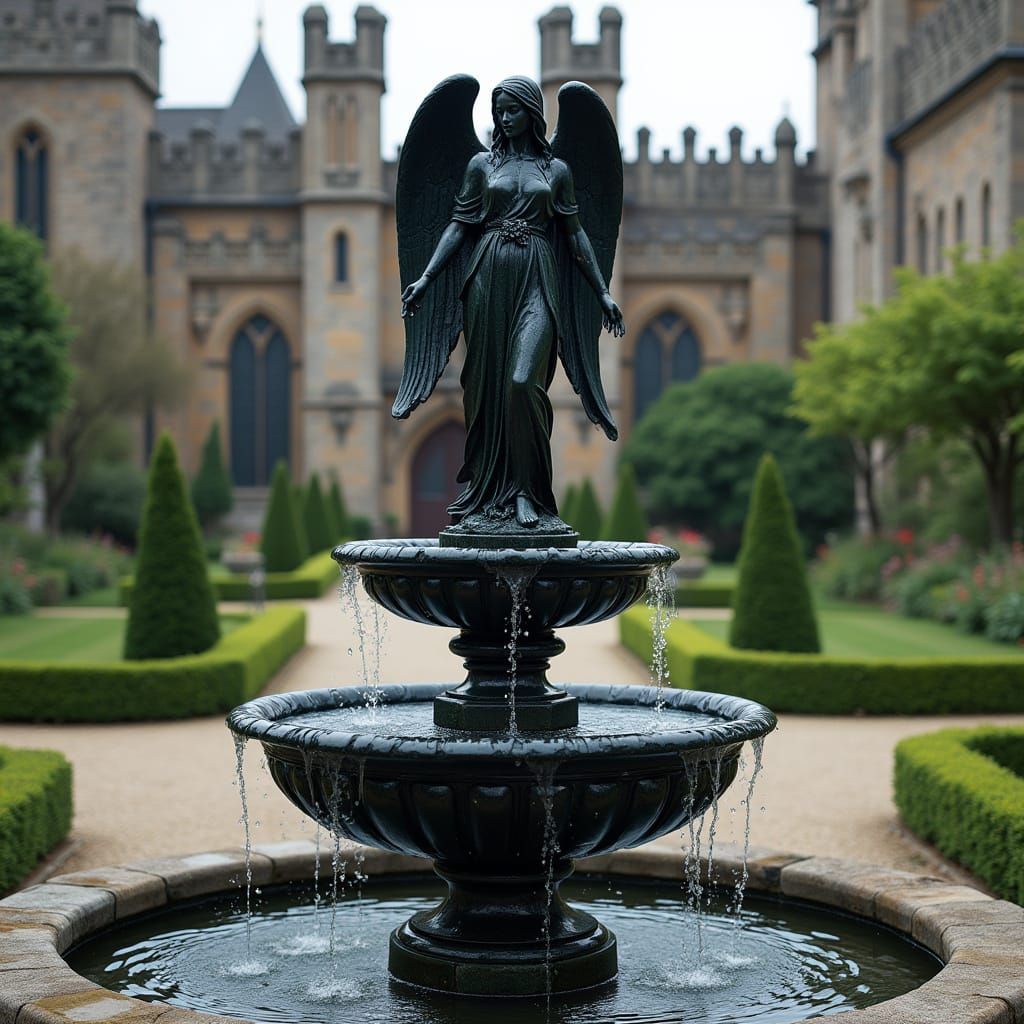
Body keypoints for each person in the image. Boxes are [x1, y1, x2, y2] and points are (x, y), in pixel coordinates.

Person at [400, 76, 625, 530]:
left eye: (512, 109)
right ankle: (489, 496)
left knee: (523, 382)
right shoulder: (480, 166)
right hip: (486, 278)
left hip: (539, 276)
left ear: (532, 112)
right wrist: (426, 277)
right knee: (487, 389)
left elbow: (576, 233)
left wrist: (601, 292)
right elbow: (458, 227)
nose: (504, 117)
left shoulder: (557, 171)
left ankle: (529, 494)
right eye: (498, 109)